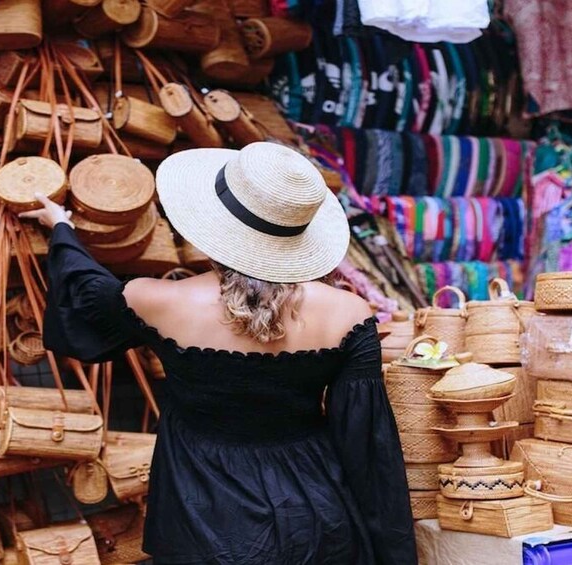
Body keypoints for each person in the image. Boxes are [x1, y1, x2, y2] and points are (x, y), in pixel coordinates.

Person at [21, 142, 417, 564]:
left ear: (213, 223)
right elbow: (368, 448)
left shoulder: (157, 301)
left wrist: (62, 227)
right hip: (314, 514)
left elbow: (87, 296)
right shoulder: (349, 312)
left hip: (201, 515)